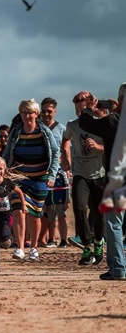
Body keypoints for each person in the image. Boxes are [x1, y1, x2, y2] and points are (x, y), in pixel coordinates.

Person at [2, 99, 60, 262]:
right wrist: (4, 171)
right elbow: (7, 153)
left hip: (39, 177)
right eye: (24, 112)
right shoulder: (16, 132)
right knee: (18, 210)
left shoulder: (44, 131)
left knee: (34, 214)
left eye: (30, 112)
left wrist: (52, 176)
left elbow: (55, 153)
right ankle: (20, 247)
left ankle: (34, 247)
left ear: (36, 114)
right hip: (18, 177)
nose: (27, 116)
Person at [78, 85, 124, 279]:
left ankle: (118, 269)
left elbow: (87, 124)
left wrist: (89, 108)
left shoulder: (115, 121)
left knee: (114, 224)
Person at [62, 91, 106, 265]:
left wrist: (98, 146)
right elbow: (65, 139)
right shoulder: (72, 125)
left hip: (99, 174)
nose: (79, 114)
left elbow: (113, 145)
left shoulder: (101, 124)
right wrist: (66, 157)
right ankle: (87, 245)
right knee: (79, 208)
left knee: (98, 213)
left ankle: (98, 243)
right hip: (80, 173)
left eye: (82, 110)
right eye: (76, 110)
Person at [38, 97, 69, 248]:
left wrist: (68, 169)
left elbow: (66, 150)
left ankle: (63, 239)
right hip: (42, 172)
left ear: (54, 112)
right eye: (43, 111)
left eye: (49, 111)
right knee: (47, 209)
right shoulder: (38, 127)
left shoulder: (62, 129)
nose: (46, 114)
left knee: (61, 209)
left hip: (58, 174)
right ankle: (50, 239)